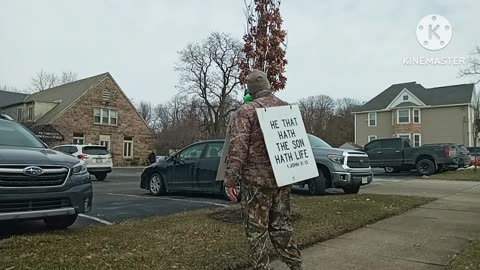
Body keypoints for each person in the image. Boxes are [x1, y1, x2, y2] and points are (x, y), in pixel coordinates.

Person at [224, 69, 303, 270]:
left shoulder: (246, 111)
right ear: (268, 86)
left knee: (256, 232)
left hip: (256, 182)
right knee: (282, 226)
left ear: (250, 90)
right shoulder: (286, 108)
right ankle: (296, 265)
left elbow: (238, 148)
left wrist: (230, 180)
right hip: (283, 178)